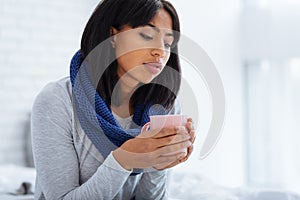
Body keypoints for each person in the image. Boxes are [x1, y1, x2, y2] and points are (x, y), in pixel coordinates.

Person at [31, 0, 195, 199]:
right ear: (113, 36)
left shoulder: (165, 106)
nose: (160, 51)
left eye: (168, 43)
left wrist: (158, 162)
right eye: (147, 35)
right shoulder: (57, 100)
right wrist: (125, 159)